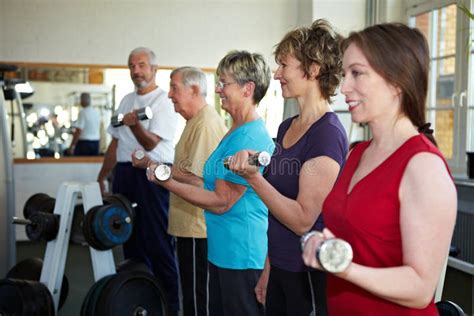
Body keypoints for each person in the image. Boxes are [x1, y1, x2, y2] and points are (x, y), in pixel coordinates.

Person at [301, 23, 457, 315]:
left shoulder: (423, 166)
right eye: (345, 74)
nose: (344, 87)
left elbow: (420, 288)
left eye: (357, 73)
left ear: (397, 81)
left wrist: (344, 268)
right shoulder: (358, 152)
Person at [228, 19, 348, 316]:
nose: (277, 74)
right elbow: (276, 212)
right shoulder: (286, 127)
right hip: (280, 265)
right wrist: (269, 269)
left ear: (314, 69)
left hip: (307, 272)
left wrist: (253, 179)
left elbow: (302, 220)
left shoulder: (326, 134)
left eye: (284, 65)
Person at [146, 50, 275, 316]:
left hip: (242, 255)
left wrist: (167, 182)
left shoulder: (251, 136)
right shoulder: (234, 130)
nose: (218, 90)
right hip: (221, 250)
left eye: (224, 83)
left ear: (247, 89)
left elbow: (222, 201)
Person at [132, 66, 227, 316]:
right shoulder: (193, 122)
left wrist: (156, 167)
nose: (170, 95)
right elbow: (186, 171)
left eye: (175, 88)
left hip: (199, 229)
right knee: (191, 297)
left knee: (197, 302)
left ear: (194, 90)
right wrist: (152, 165)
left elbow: (198, 181)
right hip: (188, 226)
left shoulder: (205, 123)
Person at [96, 47, 180, 314]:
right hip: (125, 173)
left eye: (142, 65)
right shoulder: (125, 101)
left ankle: (170, 303)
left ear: (154, 69)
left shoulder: (162, 102)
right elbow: (115, 142)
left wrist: (134, 125)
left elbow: (151, 144)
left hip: (152, 174)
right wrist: (102, 176)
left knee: (156, 239)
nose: (136, 71)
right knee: (129, 237)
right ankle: (139, 298)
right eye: (132, 66)